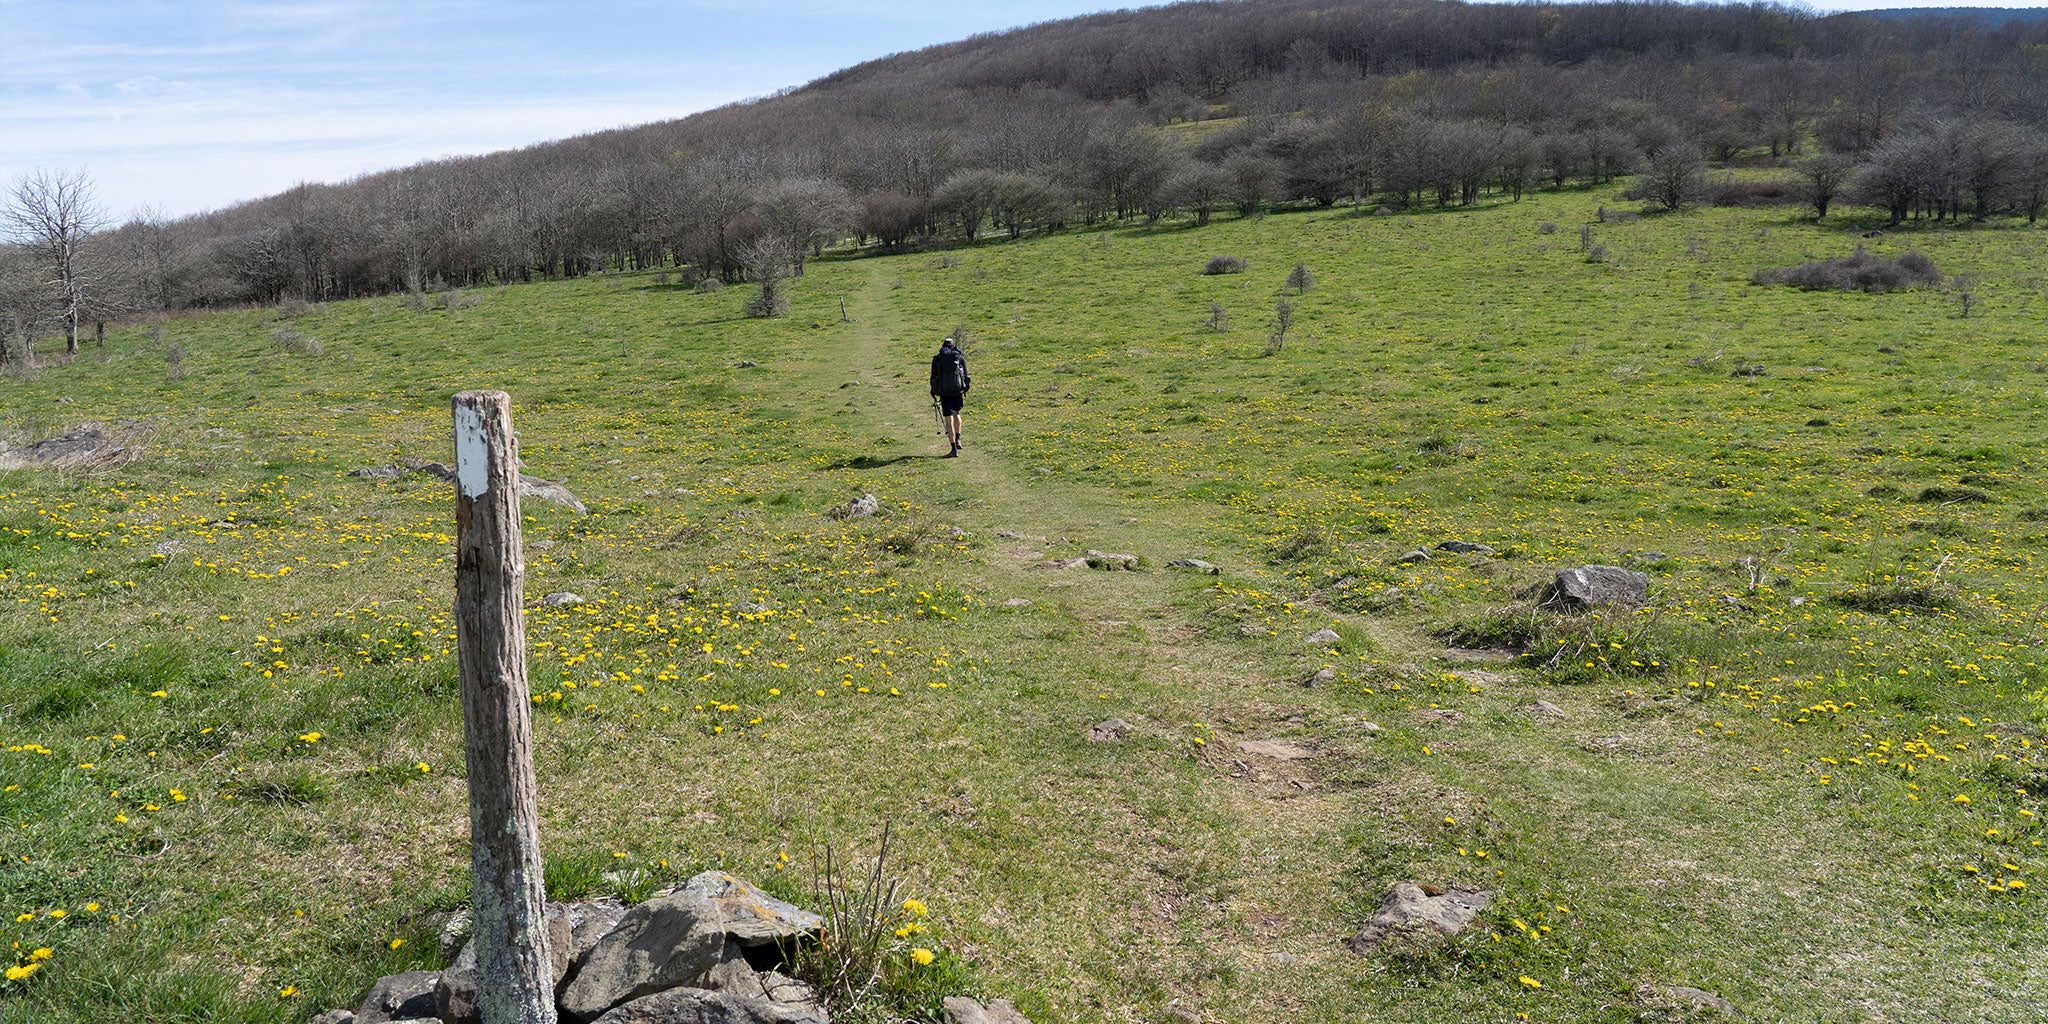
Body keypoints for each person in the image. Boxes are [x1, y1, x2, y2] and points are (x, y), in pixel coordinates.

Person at [929, 336, 970, 457]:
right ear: (953, 346)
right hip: (958, 391)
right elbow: (966, 376)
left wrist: (933, 391)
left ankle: (953, 449)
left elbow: (933, 378)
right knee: (957, 414)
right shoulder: (959, 357)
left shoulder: (937, 359)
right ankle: (958, 439)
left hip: (944, 392)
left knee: (949, 419)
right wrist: (963, 389)